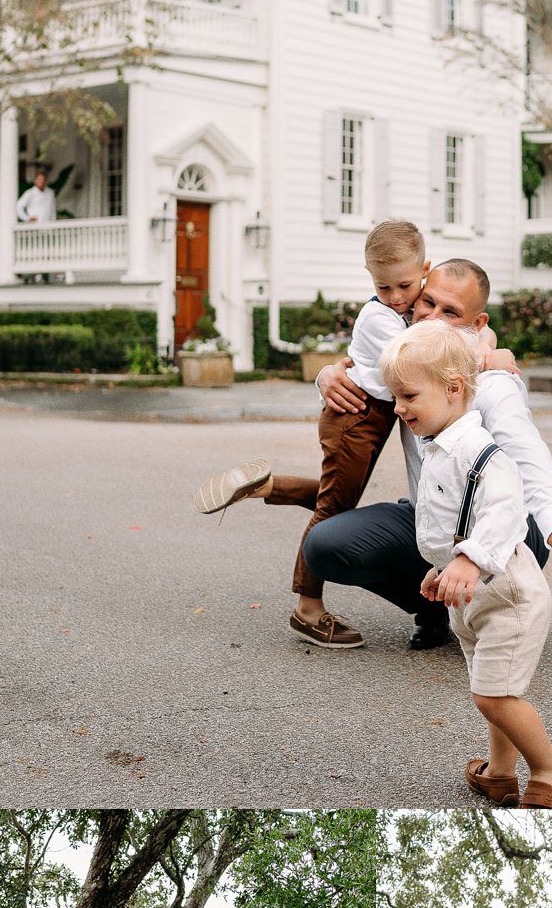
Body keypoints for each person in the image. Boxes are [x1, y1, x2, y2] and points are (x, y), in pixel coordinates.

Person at [191, 220, 515, 651]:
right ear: (370, 279)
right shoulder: (383, 317)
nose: (399, 297)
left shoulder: (410, 311)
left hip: (376, 414)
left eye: (405, 286)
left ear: (424, 269)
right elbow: (422, 358)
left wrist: (483, 337)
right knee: (334, 509)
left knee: (338, 500)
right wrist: (488, 348)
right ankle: (307, 609)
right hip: (355, 416)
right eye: (385, 288)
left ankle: (268, 486)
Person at [303, 260, 552, 674]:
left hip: (502, 526)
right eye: (427, 303)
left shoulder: (492, 382)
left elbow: (527, 457)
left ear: (475, 323)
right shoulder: (406, 360)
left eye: (450, 312)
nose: (431, 317)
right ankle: (437, 609)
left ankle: (492, 605)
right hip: (433, 516)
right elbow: (363, 363)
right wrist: (326, 374)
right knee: (325, 546)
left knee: (520, 529)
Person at [381, 320, 552, 809]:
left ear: (453, 389)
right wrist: (443, 565)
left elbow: (505, 510)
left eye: (407, 396)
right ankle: (499, 773)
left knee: (493, 696)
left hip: (506, 590)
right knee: (491, 687)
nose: (398, 408)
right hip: (471, 594)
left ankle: (551, 768)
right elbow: (453, 518)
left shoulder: (480, 450)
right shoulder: (439, 446)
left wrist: (468, 560)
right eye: (395, 398)